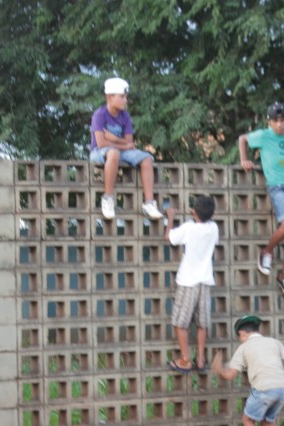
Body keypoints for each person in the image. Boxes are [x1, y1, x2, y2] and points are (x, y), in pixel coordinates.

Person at [239, 102, 284, 298]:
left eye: (283, 120)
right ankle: (266, 252)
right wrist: (244, 159)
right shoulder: (263, 135)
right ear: (269, 122)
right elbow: (242, 139)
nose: (280, 125)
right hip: (277, 184)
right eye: (275, 121)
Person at [211, 315, 284, 426]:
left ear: (242, 333)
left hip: (264, 389)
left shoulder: (244, 347)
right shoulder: (274, 342)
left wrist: (218, 368)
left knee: (248, 420)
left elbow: (230, 375)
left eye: (239, 337)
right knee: (268, 420)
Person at [90, 77, 163, 220]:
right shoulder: (100, 115)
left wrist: (112, 138)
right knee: (114, 153)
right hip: (99, 152)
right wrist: (121, 144)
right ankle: (108, 198)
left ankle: (148, 203)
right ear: (110, 97)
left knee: (147, 158)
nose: (126, 100)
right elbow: (101, 143)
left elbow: (130, 143)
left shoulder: (125, 116)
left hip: (120, 150)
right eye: (122, 97)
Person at [165, 196, 218, 373]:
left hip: (188, 281)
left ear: (194, 212)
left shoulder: (188, 228)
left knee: (181, 323)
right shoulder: (213, 228)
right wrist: (196, 214)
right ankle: (201, 360)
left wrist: (171, 217)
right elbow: (203, 223)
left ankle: (186, 359)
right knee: (202, 323)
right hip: (205, 281)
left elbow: (169, 237)